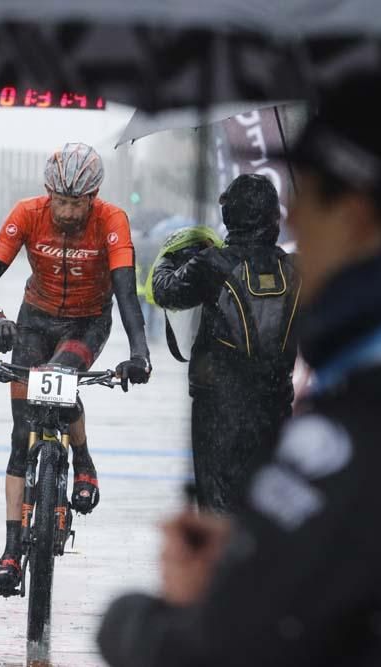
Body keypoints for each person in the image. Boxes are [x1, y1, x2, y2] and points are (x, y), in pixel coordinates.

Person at [99, 71, 381, 666]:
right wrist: (273, 550)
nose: (298, 224)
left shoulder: (365, 417)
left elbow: (220, 643)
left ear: (359, 214)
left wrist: (143, 617)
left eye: (310, 198)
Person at [0, 142, 152, 593]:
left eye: (77, 203)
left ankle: (84, 461)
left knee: (58, 379)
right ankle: (12, 550)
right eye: (61, 201)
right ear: (48, 192)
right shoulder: (28, 213)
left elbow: (126, 294)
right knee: (18, 437)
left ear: (94, 197)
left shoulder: (112, 221)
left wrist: (140, 352)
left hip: (87, 322)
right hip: (34, 319)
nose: (68, 212)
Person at [152, 174, 300, 512]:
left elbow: (166, 292)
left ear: (230, 217)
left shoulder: (213, 264)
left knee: (216, 503)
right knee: (270, 503)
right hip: (275, 405)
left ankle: (225, 563)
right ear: (273, 219)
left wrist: (171, 258)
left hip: (217, 409)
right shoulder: (295, 270)